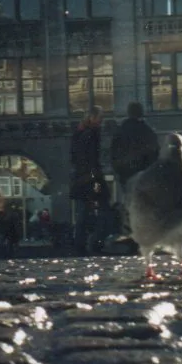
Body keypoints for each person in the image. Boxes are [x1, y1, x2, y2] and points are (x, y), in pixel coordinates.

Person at [109, 101, 160, 239]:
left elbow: (114, 154)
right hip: (144, 174)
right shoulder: (147, 131)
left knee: (130, 205)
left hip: (127, 175)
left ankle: (130, 233)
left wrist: (120, 172)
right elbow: (155, 154)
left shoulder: (121, 131)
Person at [70, 106, 108, 254]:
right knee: (102, 209)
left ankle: (81, 245)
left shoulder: (80, 133)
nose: (101, 121)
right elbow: (90, 159)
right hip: (90, 179)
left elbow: (76, 158)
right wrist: (95, 180)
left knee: (84, 212)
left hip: (83, 179)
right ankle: (94, 243)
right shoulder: (90, 134)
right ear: (92, 118)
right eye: (99, 118)